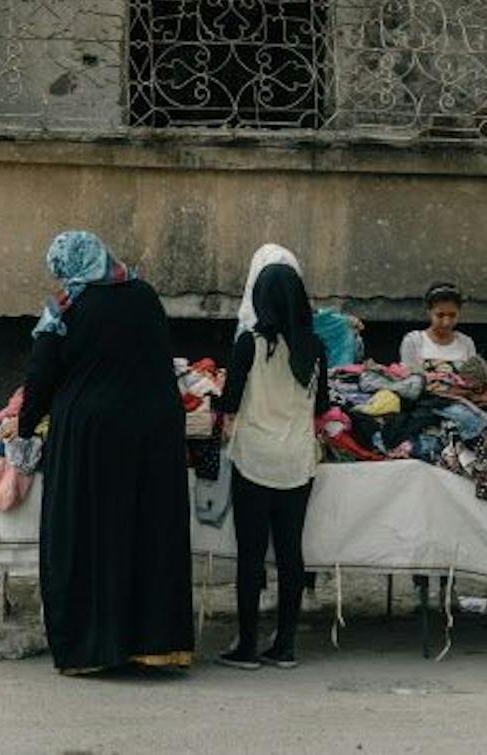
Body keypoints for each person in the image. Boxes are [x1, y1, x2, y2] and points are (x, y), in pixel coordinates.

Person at [18, 230, 194, 674]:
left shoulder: (66, 309)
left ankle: (92, 649)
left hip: (92, 438)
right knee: (148, 533)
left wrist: (23, 429)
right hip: (155, 431)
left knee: (89, 536)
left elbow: (41, 374)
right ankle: (155, 644)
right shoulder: (145, 295)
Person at [215, 259, 327, 670]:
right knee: (290, 552)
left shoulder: (250, 343)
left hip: (254, 460)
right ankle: (286, 645)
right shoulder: (314, 347)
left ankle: (247, 645)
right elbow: (324, 406)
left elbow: (228, 402)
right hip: (298, 460)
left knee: (251, 555)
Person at [398, 281, 478, 373]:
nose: (446, 322)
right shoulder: (413, 341)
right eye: (440, 315)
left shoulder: (466, 343)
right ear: (429, 312)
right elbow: (409, 380)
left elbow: (473, 380)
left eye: (452, 315)